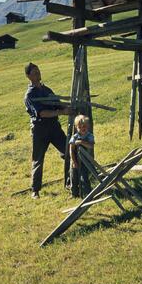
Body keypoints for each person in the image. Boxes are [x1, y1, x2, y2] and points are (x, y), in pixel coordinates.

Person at [24, 62, 73, 199]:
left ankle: (70, 182)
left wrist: (70, 106)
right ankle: (35, 190)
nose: (38, 74)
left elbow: (57, 102)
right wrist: (62, 112)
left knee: (69, 151)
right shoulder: (30, 95)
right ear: (28, 76)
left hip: (54, 128)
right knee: (38, 159)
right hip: (40, 130)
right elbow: (42, 113)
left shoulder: (47, 90)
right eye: (34, 72)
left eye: (38, 71)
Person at [69, 115, 95, 198]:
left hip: (85, 161)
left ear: (88, 126)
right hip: (75, 159)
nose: (82, 128)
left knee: (84, 177)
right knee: (74, 177)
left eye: (84, 126)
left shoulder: (89, 136)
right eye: (79, 127)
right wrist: (73, 161)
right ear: (76, 127)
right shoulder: (74, 137)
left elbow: (91, 146)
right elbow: (71, 149)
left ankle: (87, 194)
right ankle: (74, 194)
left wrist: (81, 142)